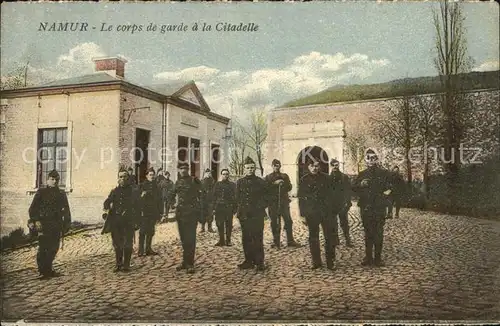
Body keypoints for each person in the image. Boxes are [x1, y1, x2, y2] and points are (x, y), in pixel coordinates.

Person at [28, 170, 71, 279]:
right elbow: (32, 209)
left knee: (54, 248)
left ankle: (48, 269)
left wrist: (66, 224)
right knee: (43, 248)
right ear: (47, 180)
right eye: (52, 179)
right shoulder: (41, 192)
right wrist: (36, 220)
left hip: (56, 225)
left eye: (56, 179)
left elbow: (66, 210)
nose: (54, 181)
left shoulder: (61, 194)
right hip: (43, 225)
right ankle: (43, 271)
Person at [352, 149, 392, 267]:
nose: (371, 160)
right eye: (369, 158)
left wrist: (384, 198)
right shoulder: (362, 174)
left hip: (379, 208)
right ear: (366, 160)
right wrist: (361, 184)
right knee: (368, 232)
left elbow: (390, 188)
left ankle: (378, 258)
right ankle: (368, 257)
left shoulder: (384, 173)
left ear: (377, 159)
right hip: (365, 207)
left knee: (379, 232)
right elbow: (353, 188)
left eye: (374, 158)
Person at [298, 159, 336, 270]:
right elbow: (301, 199)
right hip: (312, 213)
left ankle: (330, 262)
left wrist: (333, 211)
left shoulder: (326, 178)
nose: (315, 168)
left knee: (329, 237)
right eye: (312, 166)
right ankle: (316, 262)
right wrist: (302, 214)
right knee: (313, 238)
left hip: (326, 213)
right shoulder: (304, 180)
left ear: (319, 166)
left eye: (316, 166)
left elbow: (333, 194)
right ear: (308, 167)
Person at [235, 156, 269, 271]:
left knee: (257, 238)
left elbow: (266, 197)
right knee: (246, 238)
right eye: (248, 168)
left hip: (257, 214)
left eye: (252, 168)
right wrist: (240, 210)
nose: (250, 169)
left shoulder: (260, 182)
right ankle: (248, 261)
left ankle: (259, 262)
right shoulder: (240, 182)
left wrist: (259, 206)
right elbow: (237, 198)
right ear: (244, 169)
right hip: (244, 215)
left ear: (255, 169)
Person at [103, 168, 140, 272]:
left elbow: (138, 207)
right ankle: (118, 264)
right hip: (116, 222)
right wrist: (107, 205)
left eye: (125, 177)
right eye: (120, 177)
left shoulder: (133, 191)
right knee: (117, 244)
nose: (122, 179)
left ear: (128, 178)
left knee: (128, 244)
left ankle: (126, 265)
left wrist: (137, 222)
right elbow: (107, 202)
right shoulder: (114, 191)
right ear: (117, 179)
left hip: (128, 221)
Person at [264, 159, 300, 249]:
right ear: (272, 166)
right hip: (273, 204)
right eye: (275, 165)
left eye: (278, 165)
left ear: (280, 166)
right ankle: (276, 242)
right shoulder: (268, 177)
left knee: (288, 221)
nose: (277, 167)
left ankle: (290, 241)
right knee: (275, 223)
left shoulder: (284, 176)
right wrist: (274, 184)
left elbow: (289, 187)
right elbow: (265, 189)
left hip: (284, 203)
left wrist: (283, 184)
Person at [173, 162, 202, 274]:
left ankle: (190, 263)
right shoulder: (177, 182)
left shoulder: (194, 181)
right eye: (181, 169)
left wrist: (198, 211)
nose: (183, 170)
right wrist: (171, 203)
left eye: (185, 168)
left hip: (191, 214)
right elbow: (172, 193)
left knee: (190, 239)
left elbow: (202, 194)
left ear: (188, 169)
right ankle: (185, 262)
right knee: (184, 239)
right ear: (179, 170)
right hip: (180, 214)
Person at [137, 167, 162, 256]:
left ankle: (148, 249)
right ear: (147, 176)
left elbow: (160, 200)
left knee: (151, 231)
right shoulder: (142, 185)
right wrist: (142, 195)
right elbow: (137, 200)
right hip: (144, 212)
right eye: (150, 175)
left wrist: (160, 213)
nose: (152, 176)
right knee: (142, 231)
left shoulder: (156, 186)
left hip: (153, 212)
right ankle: (140, 250)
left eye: (153, 175)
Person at [329, 159, 353, 247]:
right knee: (333, 223)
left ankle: (347, 240)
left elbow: (348, 190)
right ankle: (336, 240)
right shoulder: (328, 178)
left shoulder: (344, 177)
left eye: (336, 165)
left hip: (342, 203)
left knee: (344, 223)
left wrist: (348, 202)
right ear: (331, 166)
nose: (335, 167)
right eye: (333, 165)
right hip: (332, 204)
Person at [212, 168, 237, 246]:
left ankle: (228, 240)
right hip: (219, 208)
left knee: (228, 225)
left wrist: (235, 208)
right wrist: (213, 208)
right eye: (224, 174)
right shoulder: (217, 184)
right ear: (221, 175)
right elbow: (214, 196)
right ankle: (221, 240)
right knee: (219, 224)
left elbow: (235, 197)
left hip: (228, 207)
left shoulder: (232, 185)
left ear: (228, 175)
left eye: (227, 174)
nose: (225, 175)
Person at [200, 169, 216, 233]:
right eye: (207, 173)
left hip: (210, 200)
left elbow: (214, 191)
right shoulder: (201, 181)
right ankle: (202, 228)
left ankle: (210, 228)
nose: (208, 174)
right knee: (203, 214)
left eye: (209, 173)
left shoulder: (213, 181)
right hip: (203, 200)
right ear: (205, 174)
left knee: (210, 214)